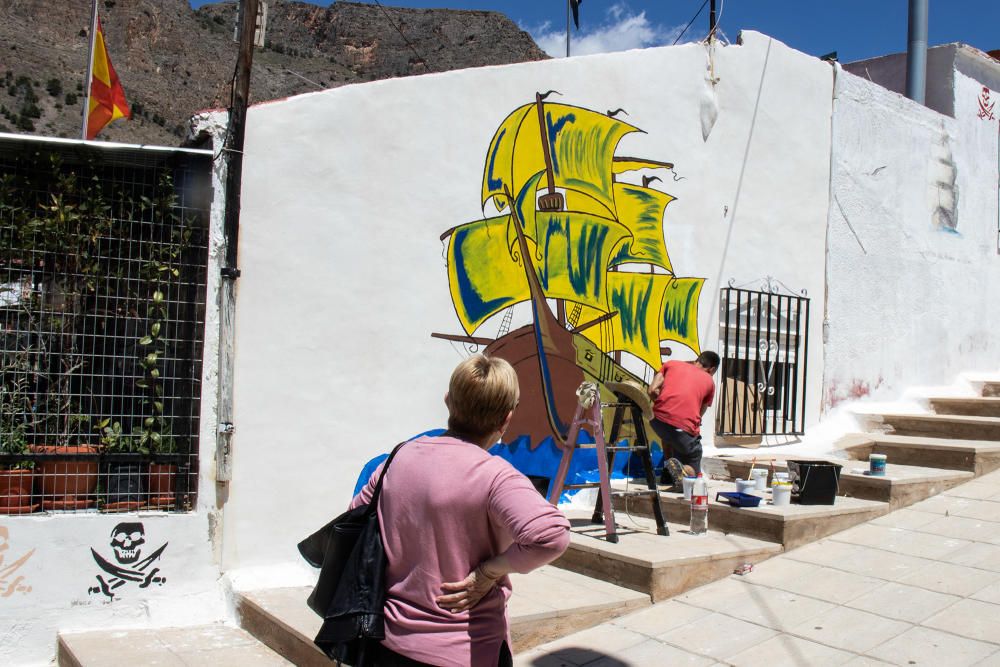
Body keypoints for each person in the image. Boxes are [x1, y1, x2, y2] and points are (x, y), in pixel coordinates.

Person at [349, 354, 571, 666]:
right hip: (466, 649)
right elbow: (553, 537)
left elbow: (355, 516)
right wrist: (488, 572)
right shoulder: (495, 476)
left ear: (448, 401)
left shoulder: (396, 459)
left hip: (386, 642)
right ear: (507, 418)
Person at [646, 351, 720, 486]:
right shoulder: (709, 381)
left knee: (668, 436)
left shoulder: (671, 364)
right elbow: (699, 414)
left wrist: (665, 406)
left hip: (656, 421)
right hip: (681, 427)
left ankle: (668, 473)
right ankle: (685, 474)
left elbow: (651, 390)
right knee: (694, 458)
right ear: (712, 369)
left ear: (697, 360)